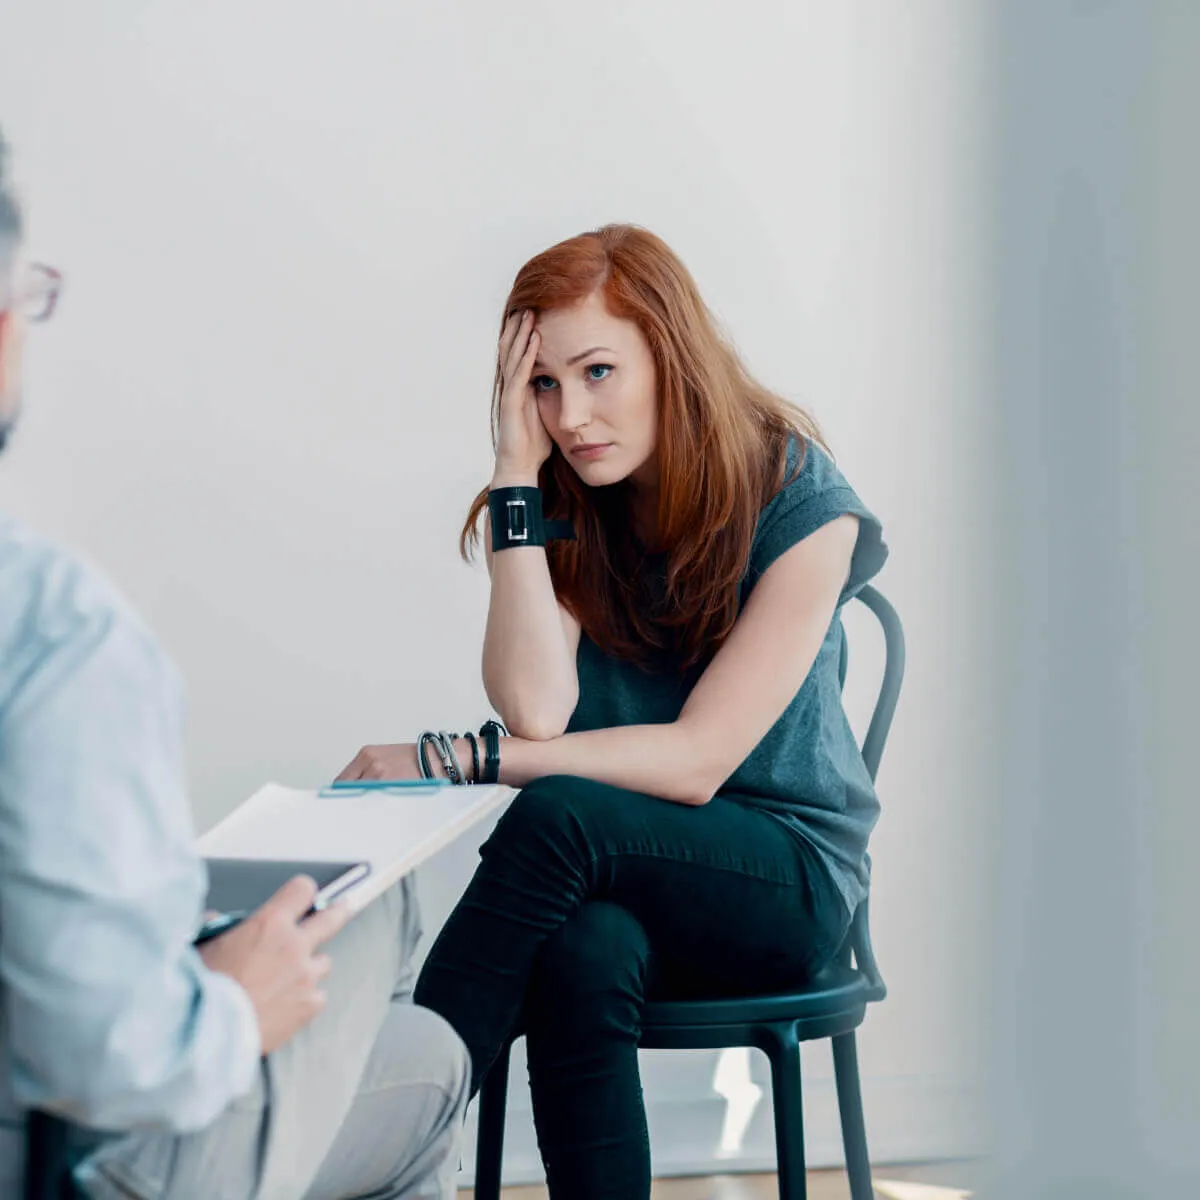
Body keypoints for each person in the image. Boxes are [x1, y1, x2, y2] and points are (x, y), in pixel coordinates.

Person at [336, 224, 889, 1199]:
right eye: (543, 385)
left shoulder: (797, 494)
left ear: (667, 355)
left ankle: (372, 1132)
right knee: (584, 947)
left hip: (786, 877)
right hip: (629, 877)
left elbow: (699, 760)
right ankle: (382, 1131)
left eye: (597, 371)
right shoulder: (566, 495)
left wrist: (458, 756)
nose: (572, 413)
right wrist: (515, 473)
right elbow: (539, 712)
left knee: (555, 814)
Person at [0, 131, 469, 1200]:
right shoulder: (55, 635)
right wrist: (226, 999)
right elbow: (116, 1063)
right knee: (372, 897)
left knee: (427, 1056)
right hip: (79, 1157)